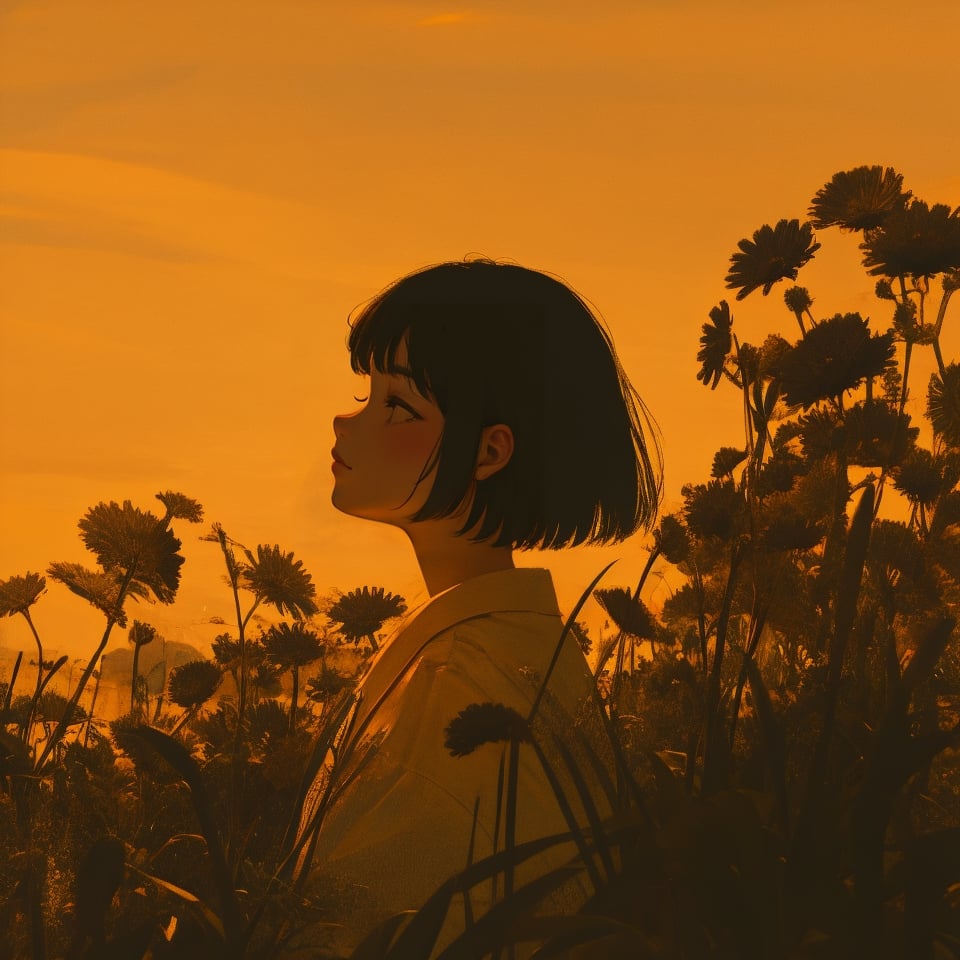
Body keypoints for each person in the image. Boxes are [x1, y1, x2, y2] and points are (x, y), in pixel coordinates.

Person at [286, 258, 662, 958]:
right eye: (367, 393)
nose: (348, 419)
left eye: (396, 405)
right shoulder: (517, 654)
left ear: (489, 452)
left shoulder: (451, 702)